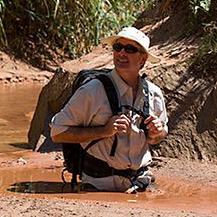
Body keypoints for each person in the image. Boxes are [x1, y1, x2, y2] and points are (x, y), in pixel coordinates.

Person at [49, 27, 168, 192]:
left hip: (141, 181)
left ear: (143, 59)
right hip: (99, 183)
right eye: (118, 47)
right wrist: (104, 131)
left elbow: (157, 138)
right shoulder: (92, 90)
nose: (122, 53)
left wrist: (157, 133)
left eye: (130, 49)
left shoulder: (154, 94)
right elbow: (57, 132)